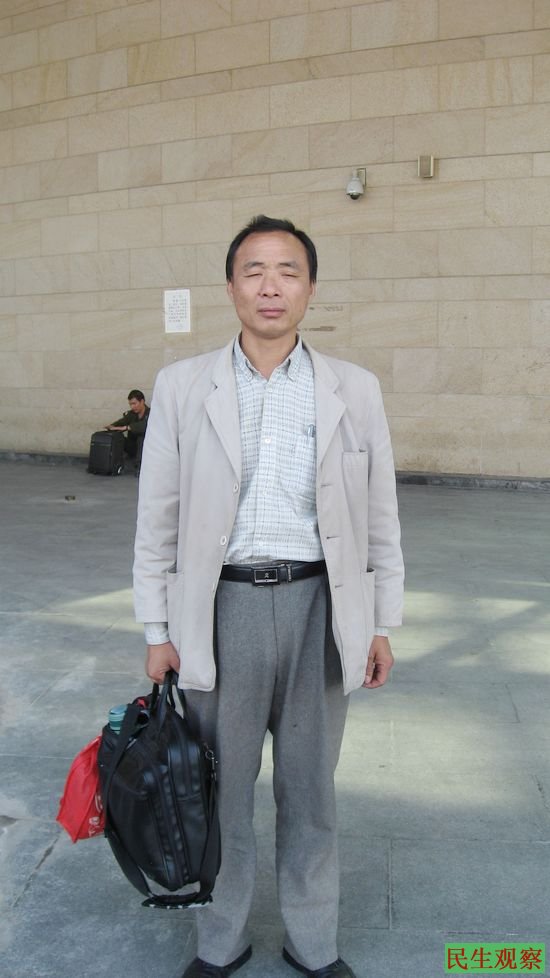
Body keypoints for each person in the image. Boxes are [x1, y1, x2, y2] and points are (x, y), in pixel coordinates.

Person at [133, 216, 404, 978]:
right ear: (231, 287)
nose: (270, 286)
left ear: (310, 288)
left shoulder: (354, 388)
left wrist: (382, 623)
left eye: (288, 270)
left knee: (310, 792)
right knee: (217, 790)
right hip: (223, 610)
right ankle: (220, 941)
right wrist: (156, 628)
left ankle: (314, 943)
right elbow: (158, 515)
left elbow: (381, 514)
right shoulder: (183, 386)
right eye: (253, 271)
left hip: (322, 606)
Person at [106, 389, 149, 469]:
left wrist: (127, 427)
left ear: (142, 401)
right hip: (133, 447)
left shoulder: (150, 413)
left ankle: (139, 466)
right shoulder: (132, 414)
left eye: (134, 403)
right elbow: (122, 421)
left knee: (141, 438)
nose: (132, 407)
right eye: (130, 404)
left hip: (146, 449)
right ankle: (112, 463)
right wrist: (112, 426)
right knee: (118, 438)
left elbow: (145, 426)